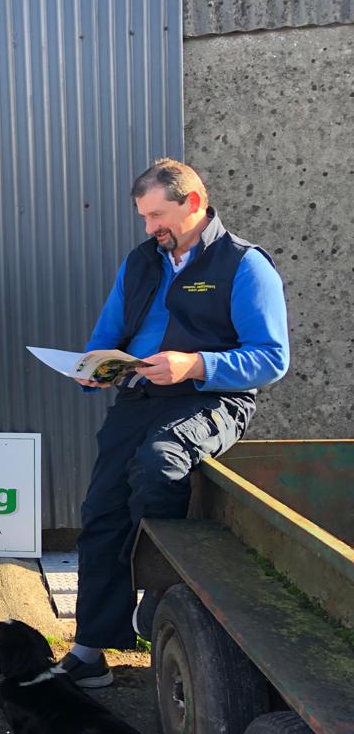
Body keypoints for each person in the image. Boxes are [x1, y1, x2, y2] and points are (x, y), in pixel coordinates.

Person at [57, 159, 289, 687]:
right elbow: (108, 332)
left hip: (212, 398)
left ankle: (160, 594)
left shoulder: (245, 265)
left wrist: (197, 363)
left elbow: (272, 358)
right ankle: (89, 652)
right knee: (100, 513)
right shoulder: (141, 261)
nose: (148, 228)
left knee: (160, 464)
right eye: (143, 217)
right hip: (139, 397)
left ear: (193, 202)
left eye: (156, 215)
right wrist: (95, 366)